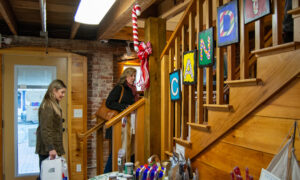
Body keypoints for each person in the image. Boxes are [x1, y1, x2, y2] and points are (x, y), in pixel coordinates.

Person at [104, 67, 139, 173]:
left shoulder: (134, 89)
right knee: (117, 151)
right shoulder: (120, 88)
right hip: (120, 125)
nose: (133, 78)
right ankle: (108, 173)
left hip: (130, 123)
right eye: (131, 75)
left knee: (130, 150)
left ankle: (128, 173)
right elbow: (109, 102)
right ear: (126, 76)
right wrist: (124, 107)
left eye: (134, 76)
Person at [35, 79, 67, 180]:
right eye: (62, 92)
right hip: (48, 150)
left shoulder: (54, 104)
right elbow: (46, 129)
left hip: (52, 147)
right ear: (54, 90)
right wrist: (51, 148)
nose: (63, 95)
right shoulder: (48, 106)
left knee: (50, 175)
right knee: (47, 175)